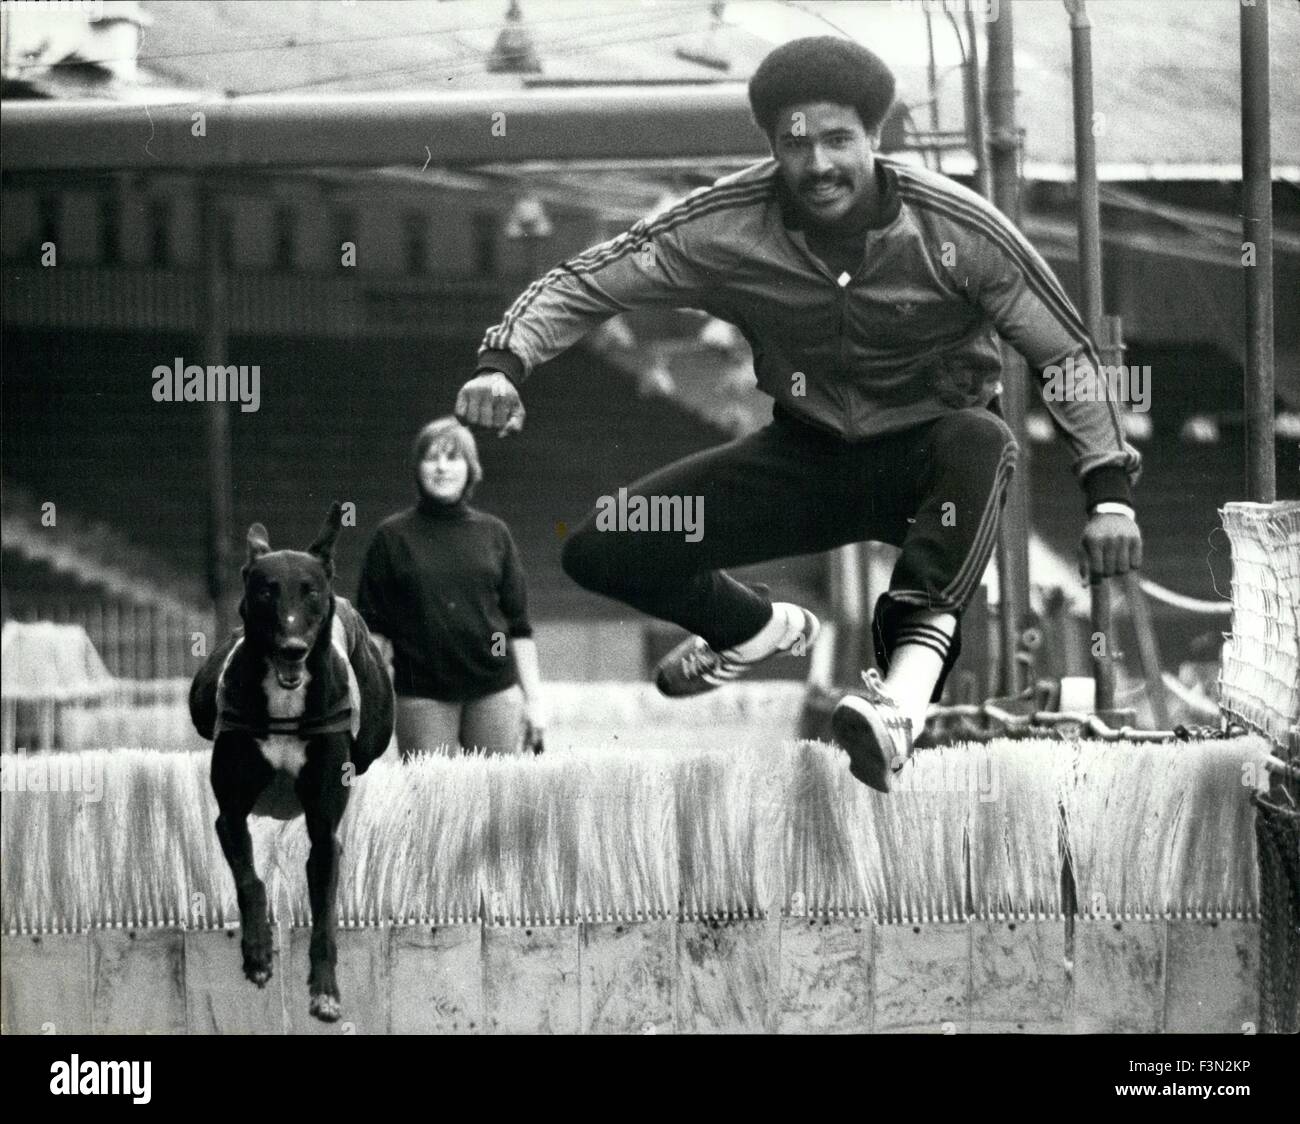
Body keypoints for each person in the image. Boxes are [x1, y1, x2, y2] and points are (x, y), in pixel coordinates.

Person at [454, 37, 1142, 793]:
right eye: (796, 144)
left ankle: (902, 702)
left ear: (876, 139)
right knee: (604, 545)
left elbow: (1066, 354)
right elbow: (591, 279)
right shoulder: (724, 223)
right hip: (804, 461)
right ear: (773, 148)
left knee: (984, 435)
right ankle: (754, 628)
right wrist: (505, 363)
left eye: (839, 140)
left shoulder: (959, 231)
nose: (819, 167)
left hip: (928, 464)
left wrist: (1107, 492)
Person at [356, 417, 546, 759]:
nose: (442, 468)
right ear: (417, 467)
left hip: (495, 691)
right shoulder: (391, 538)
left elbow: (517, 627)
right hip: (422, 695)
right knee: (432, 804)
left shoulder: (494, 534)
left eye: (453, 457)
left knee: (498, 801)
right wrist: (365, 701)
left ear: (470, 469)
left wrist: (534, 702)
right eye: (432, 458)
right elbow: (375, 633)